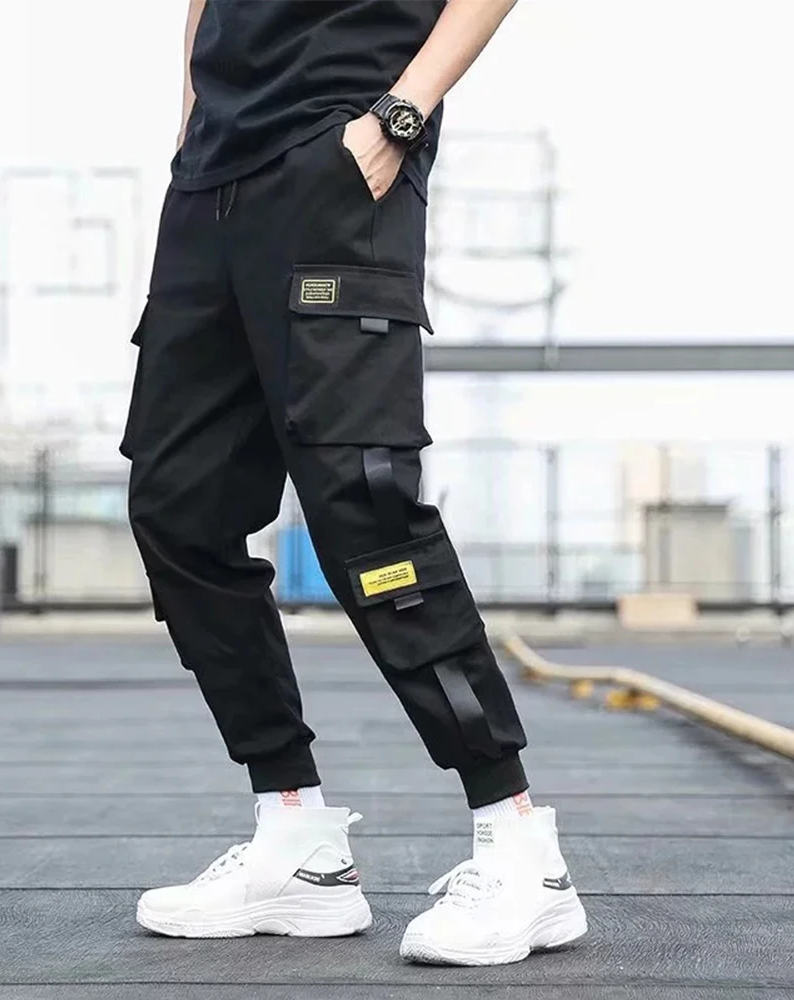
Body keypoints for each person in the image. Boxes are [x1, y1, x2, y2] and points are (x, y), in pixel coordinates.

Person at [121, 0, 587, 966]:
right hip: (210, 177)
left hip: (339, 153)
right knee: (179, 507)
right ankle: (296, 841)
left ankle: (520, 848)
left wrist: (400, 116)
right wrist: (191, 121)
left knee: (363, 508)